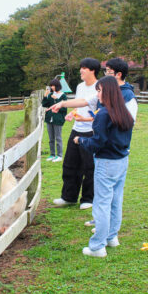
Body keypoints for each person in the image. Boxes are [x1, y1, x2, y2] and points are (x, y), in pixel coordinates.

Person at [50, 58, 138, 227]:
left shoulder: (125, 96)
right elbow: (96, 110)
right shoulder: (107, 92)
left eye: (109, 72)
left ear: (118, 75)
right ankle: (104, 227)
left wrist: (86, 133)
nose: (105, 75)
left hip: (112, 153)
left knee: (106, 192)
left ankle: (102, 233)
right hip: (111, 151)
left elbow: (122, 124)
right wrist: (81, 115)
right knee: (104, 190)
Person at [73, 76, 134, 257]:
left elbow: (97, 143)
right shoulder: (122, 111)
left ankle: (97, 246)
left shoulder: (104, 114)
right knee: (115, 201)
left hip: (106, 163)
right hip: (121, 161)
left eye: (99, 90)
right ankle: (111, 237)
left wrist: (80, 140)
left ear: (106, 92)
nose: (97, 94)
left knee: (101, 204)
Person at [52, 57, 99, 210]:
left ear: (92, 70)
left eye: (84, 68)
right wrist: (72, 113)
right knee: (70, 163)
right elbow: (79, 104)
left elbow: (90, 105)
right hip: (76, 128)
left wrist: (63, 104)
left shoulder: (99, 87)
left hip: (91, 131)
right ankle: (69, 197)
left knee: (89, 166)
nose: (81, 71)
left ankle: (88, 198)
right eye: (81, 67)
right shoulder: (80, 86)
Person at [41, 78, 68, 162]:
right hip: (49, 119)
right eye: (51, 85)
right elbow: (44, 104)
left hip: (58, 119)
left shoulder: (63, 95)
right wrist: (45, 95)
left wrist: (56, 99)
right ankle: (52, 154)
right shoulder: (50, 94)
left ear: (57, 86)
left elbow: (64, 109)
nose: (52, 87)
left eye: (53, 85)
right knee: (51, 138)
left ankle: (59, 155)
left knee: (58, 138)